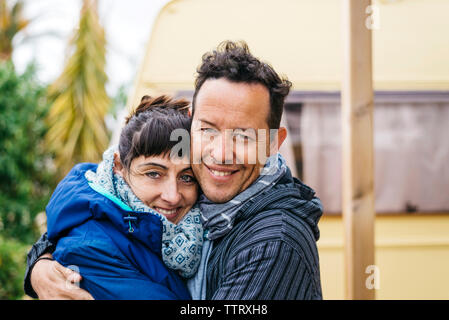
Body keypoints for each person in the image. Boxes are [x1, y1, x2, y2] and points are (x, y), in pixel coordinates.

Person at [25, 40, 323, 300]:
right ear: (191, 125)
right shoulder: (205, 205)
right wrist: (41, 263)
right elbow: (94, 197)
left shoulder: (274, 244)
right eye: (208, 130)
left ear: (273, 143)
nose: (221, 153)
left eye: (243, 136)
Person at [27, 95, 203, 299]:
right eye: (154, 174)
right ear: (118, 166)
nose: (172, 196)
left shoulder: (201, 223)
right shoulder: (90, 248)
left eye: (187, 177)